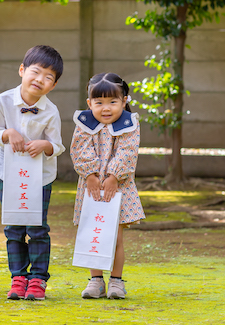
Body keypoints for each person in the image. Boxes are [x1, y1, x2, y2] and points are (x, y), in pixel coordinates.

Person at [0, 45, 65, 301]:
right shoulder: (3, 100)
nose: (40, 80)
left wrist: (46, 145)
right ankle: (18, 277)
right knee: (13, 227)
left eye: (49, 77)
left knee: (38, 228)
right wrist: (7, 134)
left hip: (39, 179)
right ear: (22, 70)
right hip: (8, 174)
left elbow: (58, 145)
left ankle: (38, 280)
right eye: (36, 71)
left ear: (53, 86)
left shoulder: (51, 111)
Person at [70, 72, 146, 299]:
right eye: (99, 102)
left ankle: (116, 281)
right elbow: (79, 149)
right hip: (90, 185)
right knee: (93, 231)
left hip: (119, 186)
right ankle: (95, 280)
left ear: (124, 101)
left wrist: (113, 176)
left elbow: (127, 152)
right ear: (89, 103)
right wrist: (91, 175)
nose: (106, 108)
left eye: (113, 102)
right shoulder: (84, 123)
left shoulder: (128, 124)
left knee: (116, 237)